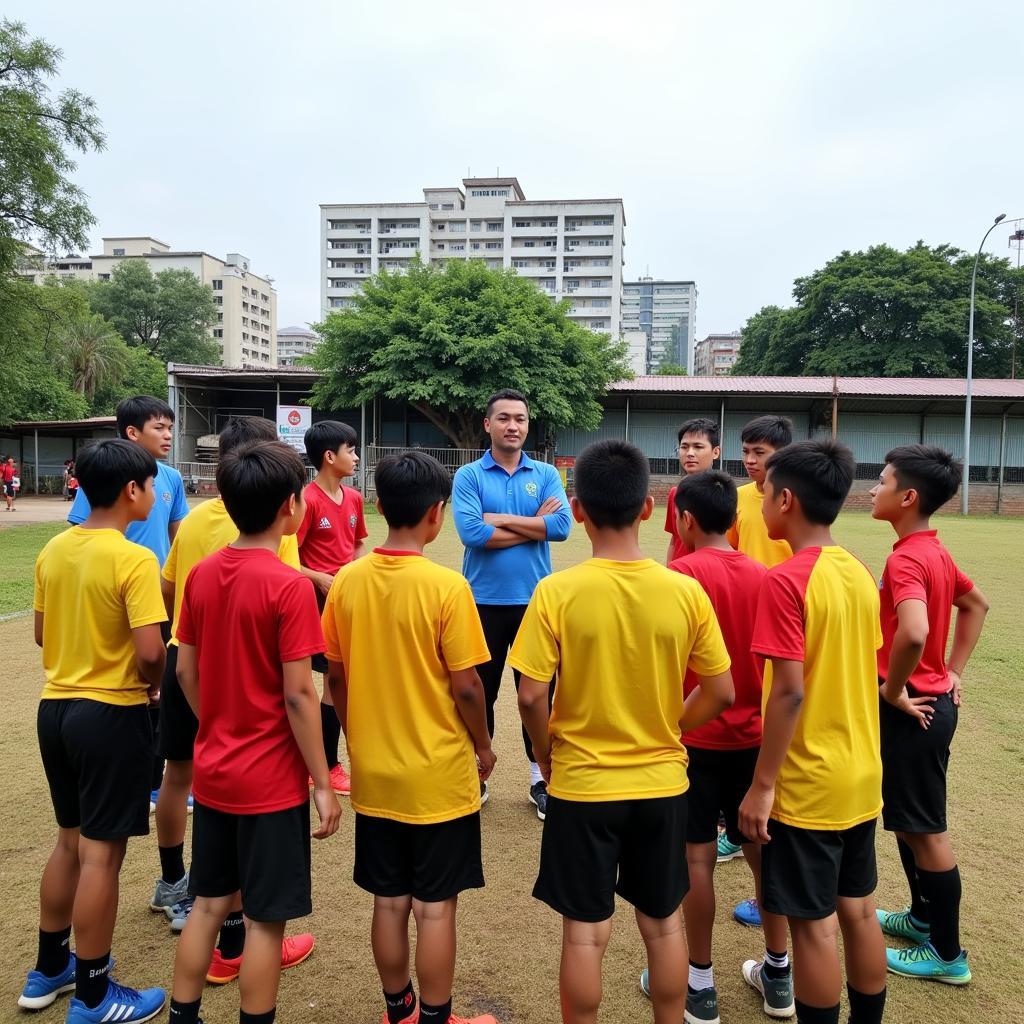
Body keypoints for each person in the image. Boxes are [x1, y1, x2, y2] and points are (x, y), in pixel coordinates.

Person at [512, 439, 734, 1024]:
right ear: (646, 508)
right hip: (663, 785)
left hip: (583, 786)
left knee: (585, 934)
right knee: (662, 926)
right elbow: (722, 691)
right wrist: (671, 728)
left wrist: (545, 753)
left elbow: (531, 693)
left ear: (577, 508)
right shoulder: (685, 591)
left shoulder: (556, 592)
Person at [168, 440, 341, 1024]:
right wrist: (322, 778)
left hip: (214, 771)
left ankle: (183, 1015)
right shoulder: (290, 585)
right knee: (266, 918)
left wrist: (216, 718)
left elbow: (185, 670)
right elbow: (299, 694)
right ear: (292, 507)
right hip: (270, 782)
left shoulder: (201, 574)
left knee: (209, 903)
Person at [322, 451, 497, 1024]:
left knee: (389, 900)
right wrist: (484, 746)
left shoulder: (346, 581)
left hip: (376, 774)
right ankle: (437, 1018)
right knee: (435, 910)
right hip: (438, 778)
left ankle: (399, 1012)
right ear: (437, 514)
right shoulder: (447, 587)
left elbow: (338, 677)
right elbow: (468, 687)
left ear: (377, 507)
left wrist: (355, 734)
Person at [739, 439, 887, 1024]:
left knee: (813, 927)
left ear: (787, 499)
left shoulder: (786, 580)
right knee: (859, 911)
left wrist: (763, 785)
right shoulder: (856, 569)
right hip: (860, 773)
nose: (761, 498)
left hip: (809, 782)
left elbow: (790, 690)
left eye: (765, 490)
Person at [20, 439, 168, 1023]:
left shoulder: (54, 550)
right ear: (131, 491)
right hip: (110, 714)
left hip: (55, 710)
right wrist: (153, 684)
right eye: (151, 486)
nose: (153, 496)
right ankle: (93, 995)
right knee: (102, 857)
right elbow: (151, 653)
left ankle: (49, 967)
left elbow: (39, 634)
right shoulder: (133, 558)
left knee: (69, 842)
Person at [638, 471, 793, 1022]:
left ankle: (699, 985)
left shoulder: (674, 577)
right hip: (755, 742)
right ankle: (779, 974)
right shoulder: (769, 576)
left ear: (685, 520)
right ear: (734, 519)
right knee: (763, 855)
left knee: (696, 859)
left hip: (693, 736)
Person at [870, 445, 989, 985]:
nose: (874, 488)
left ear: (908, 496)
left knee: (927, 832)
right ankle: (922, 919)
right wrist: (953, 669)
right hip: (929, 704)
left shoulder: (907, 559)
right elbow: (976, 605)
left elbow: (915, 632)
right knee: (909, 819)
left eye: (883, 480)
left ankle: (947, 954)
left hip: (913, 710)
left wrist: (895, 690)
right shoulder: (930, 549)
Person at [451, 389, 571, 818]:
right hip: (480, 601)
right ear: (488, 424)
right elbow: (471, 534)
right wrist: (533, 523)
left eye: (520, 419)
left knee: (538, 693)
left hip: (535, 603)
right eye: (503, 418)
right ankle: (474, 773)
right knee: (477, 690)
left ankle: (541, 777)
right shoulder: (469, 476)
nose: (513, 426)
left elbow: (560, 528)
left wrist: (499, 519)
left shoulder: (546, 472)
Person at [68, 396, 189, 815]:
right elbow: (82, 533)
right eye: (159, 427)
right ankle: (135, 775)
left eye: (171, 428)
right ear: (132, 432)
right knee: (131, 672)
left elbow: (179, 537)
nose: (168, 435)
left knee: (159, 689)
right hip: (115, 591)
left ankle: (155, 780)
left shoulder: (172, 478)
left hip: (156, 594)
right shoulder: (104, 476)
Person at [721, 415, 794, 916]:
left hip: (786, 620)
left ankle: (761, 820)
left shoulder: (796, 497)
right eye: (746, 451)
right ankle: (738, 818)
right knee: (749, 715)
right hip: (746, 620)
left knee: (781, 711)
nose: (750, 462)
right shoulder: (739, 498)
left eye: (760, 453)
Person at [296, 419, 367, 796]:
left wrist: (353, 572)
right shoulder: (306, 500)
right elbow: (288, 555)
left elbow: (356, 545)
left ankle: (324, 762)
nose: (355, 457)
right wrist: (320, 578)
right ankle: (326, 764)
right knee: (325, 685)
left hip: (345, 600)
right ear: (329, 456)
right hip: (315, 604)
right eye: (350, 450)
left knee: (339, 682)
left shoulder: (354, 498)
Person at [665, 419, 721, 564]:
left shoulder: (725, 494)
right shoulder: (675, 494)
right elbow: (674, 540)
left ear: (715, 452)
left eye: (698, 447)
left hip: (708, 574)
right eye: (684, 447)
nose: (690, 453)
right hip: (679, 576)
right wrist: (669, 569)